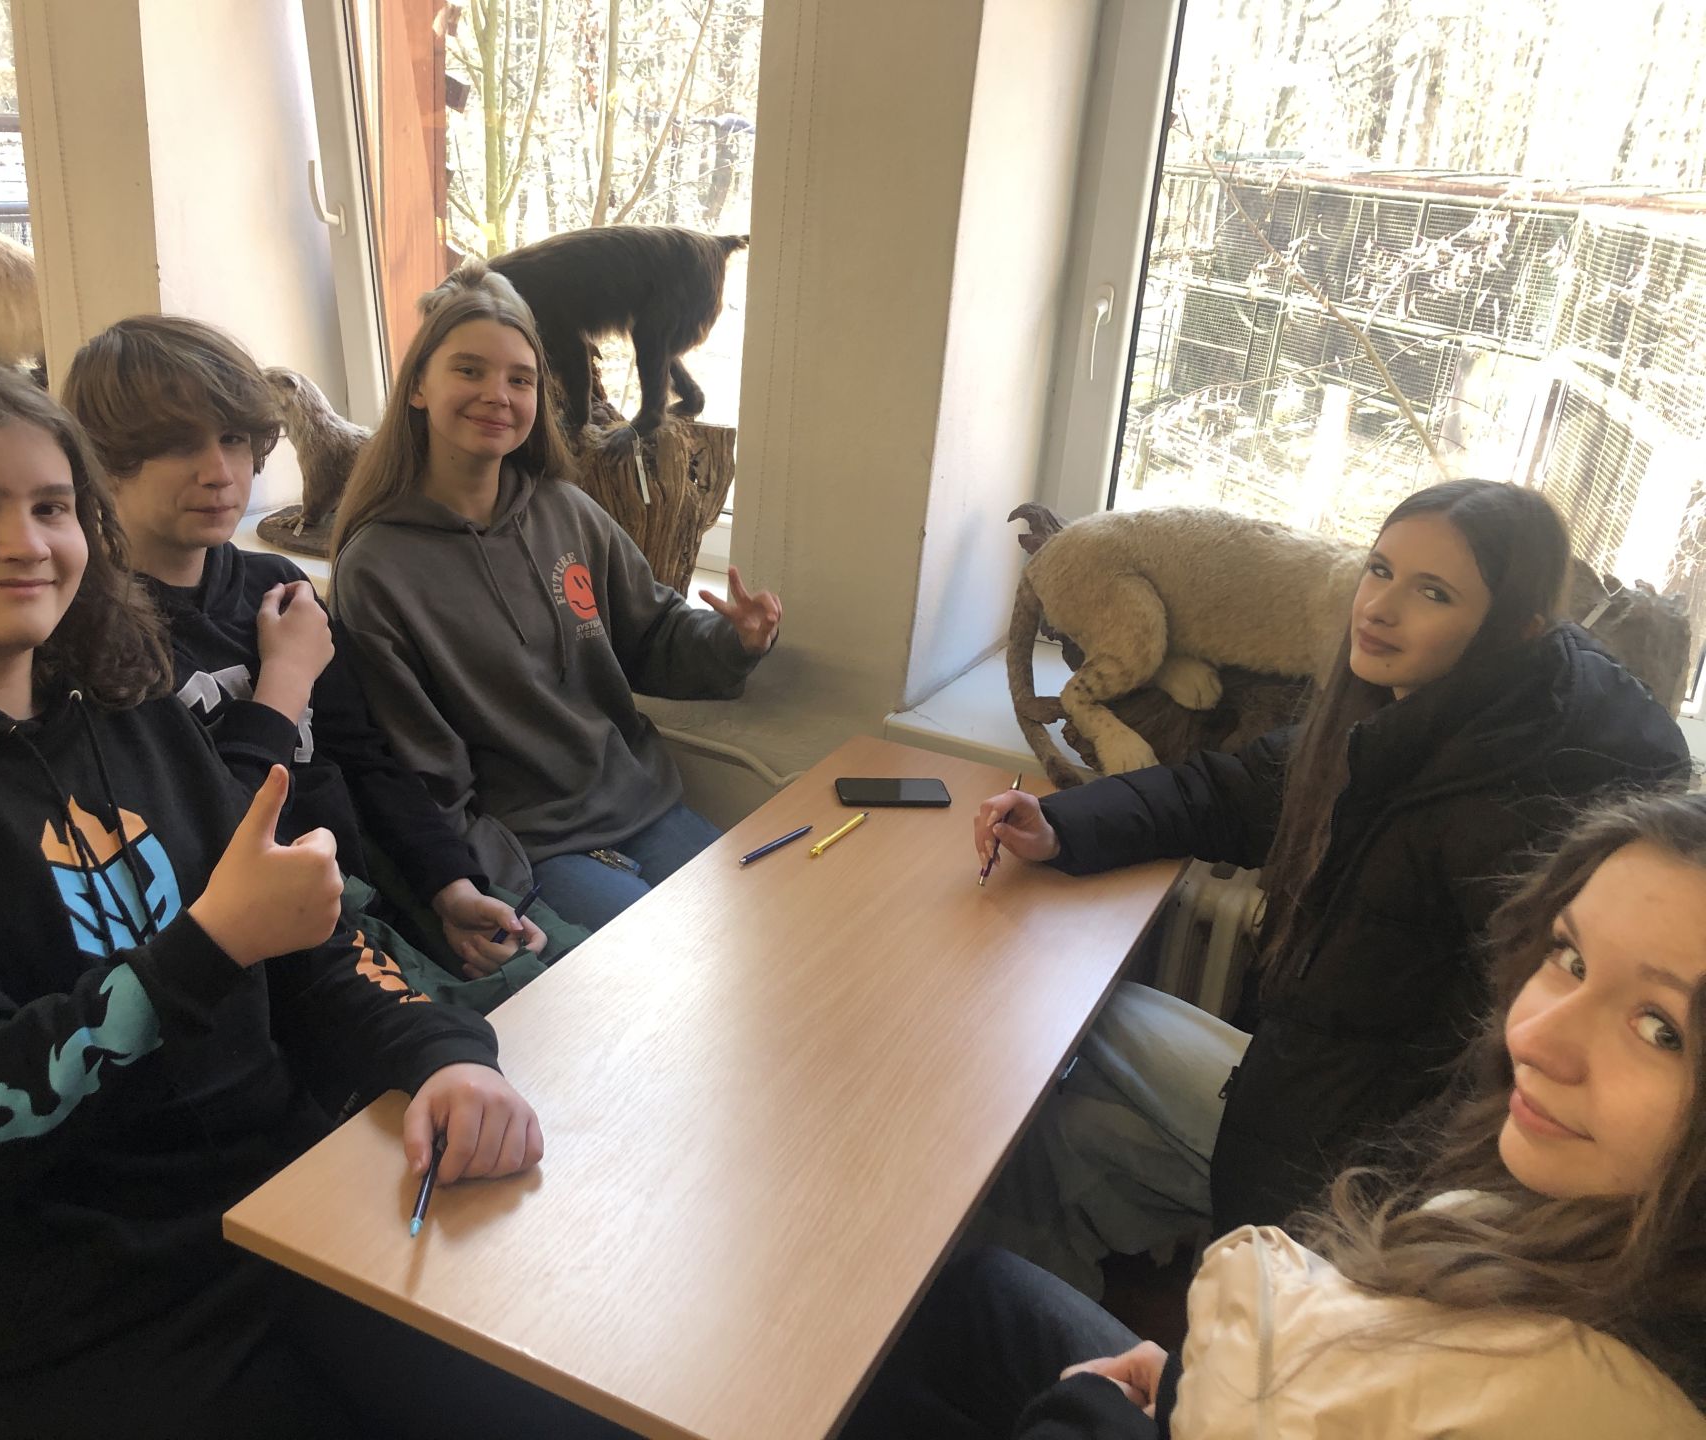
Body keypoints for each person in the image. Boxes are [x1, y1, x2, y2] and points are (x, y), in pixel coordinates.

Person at [0, 358, 628, 1439]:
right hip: (38, 1320)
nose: (27, 543)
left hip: (271, 1213)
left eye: (52, 507)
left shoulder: (126, 704)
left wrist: (440, 1056)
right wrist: (204, 948)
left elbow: (299, 932)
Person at [970, 479, 1689, 1292]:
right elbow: (1233, 791)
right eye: (1380, 570)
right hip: (1304, 1093)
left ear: (1512, 627)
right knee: (1074, 1089)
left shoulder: (1517, 806)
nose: (1378, 608)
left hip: (1354, 1176)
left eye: (1433, 593)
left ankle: (1026, 1328)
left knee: (1064, 1069)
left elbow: (1474, 1083)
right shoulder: (1406, 714)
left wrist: (1349, 1235)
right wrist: (1063, 825)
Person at [849, 789, 1706, 1439]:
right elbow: (1227, 784)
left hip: (1327, 1143)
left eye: (1660, 1028)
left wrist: (1093, 1414)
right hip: (1278, 1230)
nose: (1535, 1038)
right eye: (1569, 957)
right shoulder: (1561, 1211)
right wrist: (1067, 823)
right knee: (982, 1285)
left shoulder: (1585, 1393)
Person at [61, 314, 588, 1011]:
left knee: (578, 979)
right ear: (101, 461)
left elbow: (365, 760)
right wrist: (284, 681)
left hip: (374, 895)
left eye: (235, 439)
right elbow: (205, 843)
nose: (220, 473)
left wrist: (450, 887)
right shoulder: (92, 632)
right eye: (177, 445)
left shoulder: (277, 586)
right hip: (278, 958)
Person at [328, 260, 782, 931]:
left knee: (760, 929)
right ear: (418, 386)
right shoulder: (375, 568)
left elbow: (651, 634)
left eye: (521, 379)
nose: (498, 395)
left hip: (644, 806)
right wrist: (471, 883)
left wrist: (735, 640)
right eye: (469, 370)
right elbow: (415, 764)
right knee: (668, 971)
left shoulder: (567, 511)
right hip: (531, 848)